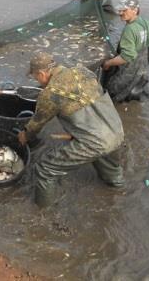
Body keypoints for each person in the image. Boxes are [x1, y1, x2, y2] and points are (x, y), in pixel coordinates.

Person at [18, 52, 124, 207]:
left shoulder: (50, 93)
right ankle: (119, 189)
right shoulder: (82, 71)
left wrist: (25, 135)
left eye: (36, 78)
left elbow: (36, 124)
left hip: (96, 141)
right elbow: (91, 100)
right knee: (108, 162)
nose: (38, 82)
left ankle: (42, 211)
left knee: (45, 168)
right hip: (116, 130)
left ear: (41, 73)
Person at [101, 0, 149, 102]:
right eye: (120, 10)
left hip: (127, 72)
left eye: (124, 10)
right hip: (141, 72)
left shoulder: (129, 30)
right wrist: (144, 57)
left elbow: (127, 57)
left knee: (110, 92)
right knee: (133, 93)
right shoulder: (145, 23)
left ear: (135, 10)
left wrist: (108, 63)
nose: (120, 13)